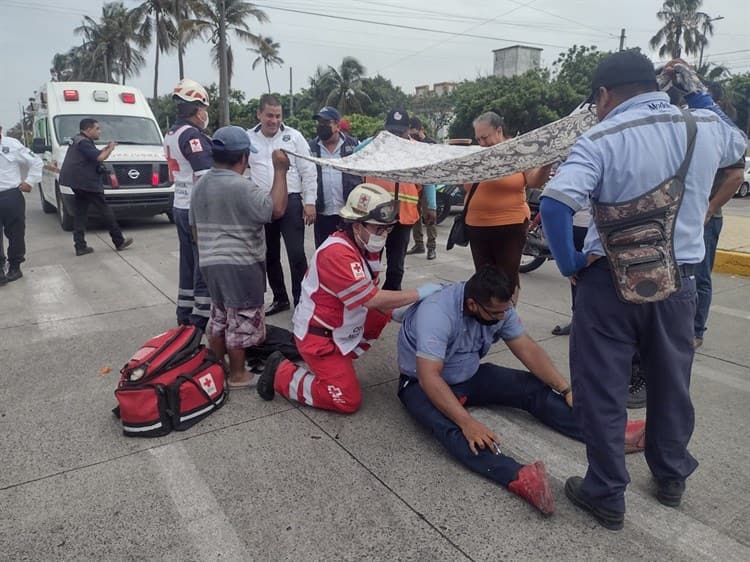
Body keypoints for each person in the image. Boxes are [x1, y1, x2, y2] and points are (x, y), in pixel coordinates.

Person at [540, 52, 746, 530]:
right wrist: (694, 89)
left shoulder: (600, 137)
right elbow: (738, 145)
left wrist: (571, 264)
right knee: (671, 381)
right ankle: (671, 476)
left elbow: (555, 203)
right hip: (679, 281)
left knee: (602, 388)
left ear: (606, 95)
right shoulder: (704, 127)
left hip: (608, 283)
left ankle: (606, 493)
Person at [396, 265, 646, 515]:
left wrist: (566, 388)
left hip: (467, 375)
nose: (503, 317)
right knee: (454, 430)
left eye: (506, 310)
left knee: (530, 387)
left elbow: (525, 347)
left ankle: (610, 433)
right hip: (421, 384)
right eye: (497, 313)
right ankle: (520, 477)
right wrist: (467, 422)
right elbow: (430, 377)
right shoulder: (437, 312)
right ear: (472, 305)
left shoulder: (498, 307)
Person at [256, 183, 443, 414]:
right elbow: (371, 299)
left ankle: (340, 361)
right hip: (320, 339)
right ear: (357, 226)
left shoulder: (365, 248)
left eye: (387, 229)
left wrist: (400, 312)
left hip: (337, 327)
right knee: (347, 399)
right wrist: (417, 294)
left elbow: (373, 297)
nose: (383, 235)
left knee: (381, 313)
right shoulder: (337, 253)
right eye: (378, 229)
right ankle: (281, 373)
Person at [190, 126, 290, 388]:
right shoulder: (242, 187)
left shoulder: (200, 185)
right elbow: (276, 209)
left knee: (220, 315)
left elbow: (195, 231)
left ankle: (217, 366)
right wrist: (280, 170)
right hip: (240, 266)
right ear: (244, 157)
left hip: (210, 263)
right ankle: (238, 374)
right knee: (242, 320)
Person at [466, 112, 551, 297]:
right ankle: (487, 318)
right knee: (483, 278)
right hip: (477, 225)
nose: (481, 143)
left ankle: (507, 318)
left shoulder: (518, 150)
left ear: (499, 130)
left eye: (485, 137)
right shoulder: (475, 155)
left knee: (506, 279)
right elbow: (464, 185)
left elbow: (534, 181)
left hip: (510, 225)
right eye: (478, 138)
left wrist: (546, 165)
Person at [247, 94, 317, 315]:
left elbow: (308, 170)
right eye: (269, 115)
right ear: (259, 114)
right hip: (262, 202)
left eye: (278, 116)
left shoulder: (294, 137)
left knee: (296, 253)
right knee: (269, 254)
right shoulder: (248, 138)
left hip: (292, 201)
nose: (274, 121)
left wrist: (310, 202)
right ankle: (280, 298)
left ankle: (302, 301)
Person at [365, 108, 436, 290]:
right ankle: (368, 298)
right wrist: (373, 141)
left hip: (403, 215)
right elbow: (354, 157)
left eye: (400, 131)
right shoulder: (374, 145)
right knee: (370, 262)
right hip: (376, 215)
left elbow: (428, 179)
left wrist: (432, 206)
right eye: (391, 131)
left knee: (396, 266)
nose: (395, 135)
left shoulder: (417, 150)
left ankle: (390, 299)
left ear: (408, 129)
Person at [163, 78, 213, 331]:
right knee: (204, 262)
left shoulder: (171, 133)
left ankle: (184, 310)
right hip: (197, 208)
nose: (205, 114)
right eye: (203, 108)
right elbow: (206, 175)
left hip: (180, 205)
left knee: (188, 261)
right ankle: (201, 317)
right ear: (196, 109)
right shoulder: (193, 136)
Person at [58, 118, 133, 257]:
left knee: (80, 213)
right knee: (105, 210)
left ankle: (80, 246)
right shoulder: (84, 142)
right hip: (86, 183)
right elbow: (99, 158)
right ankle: (119, 241)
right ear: (88, 130)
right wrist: (110, 148)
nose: (100, 131)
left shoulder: (78, 140)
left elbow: (93, 154)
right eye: (97, 128)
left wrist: (104, 149)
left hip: (76, 182)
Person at [694, 161, 745, 348]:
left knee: (699, 277)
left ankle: (696, 331)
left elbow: (737, 176)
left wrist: (711, 208)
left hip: (707, 220)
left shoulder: (723, 136)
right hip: (687, 217)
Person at [308, 106, 361, 247]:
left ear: (337, 125)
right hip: (322, 213)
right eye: (319, 123)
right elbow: (306, 176)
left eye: (326, 123)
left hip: (348, 213)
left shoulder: (354, 146)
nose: (321, 126)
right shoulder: (311, 148)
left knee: (349, 251)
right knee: (324, 253)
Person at [0, 126, 42, 284]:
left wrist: (30, 181)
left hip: (11, 195)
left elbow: (36, 161)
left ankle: (15, 267)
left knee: (15, 233)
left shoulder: (12, 144)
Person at [405, 116, 438, 260]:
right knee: (414, 217)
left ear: (421, 130)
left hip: (427, 186)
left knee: (429, 216)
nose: (412, 135)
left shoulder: (430, 144)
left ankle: (432, 247)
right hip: (412, 185)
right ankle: (419, 244)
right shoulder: (409, 144)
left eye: (414, 132)